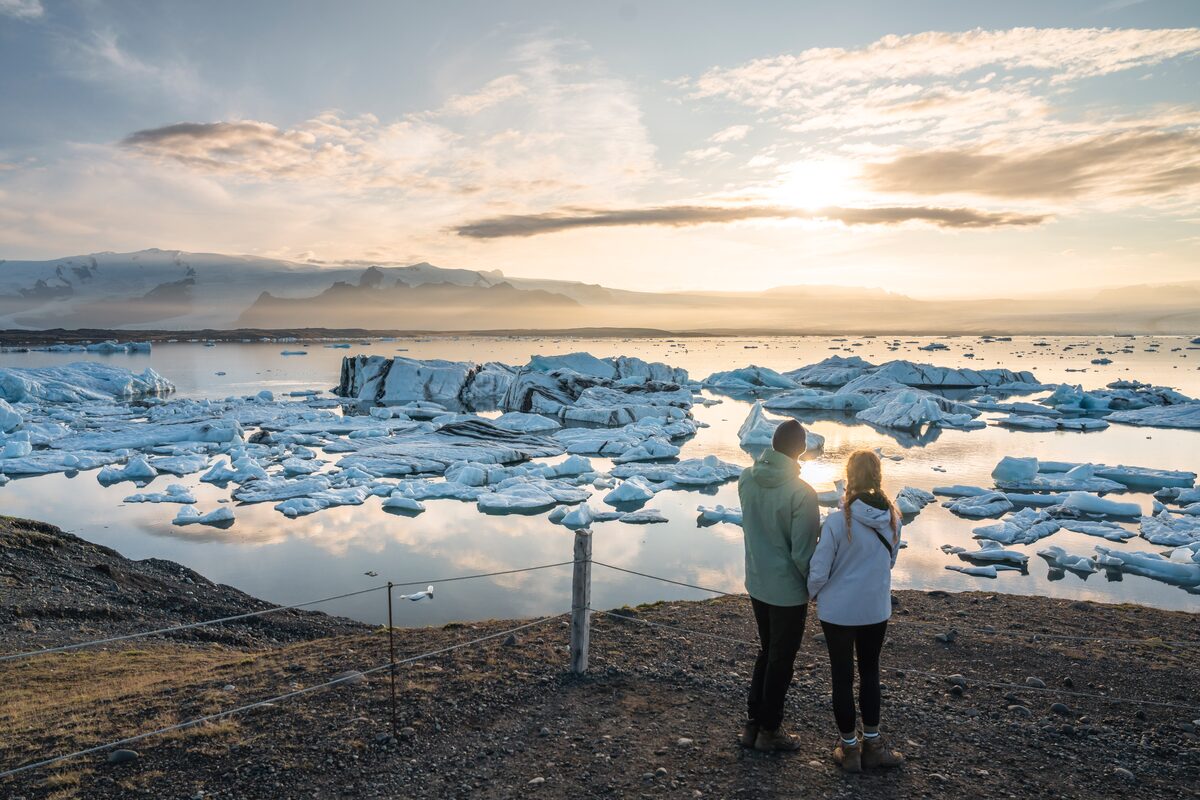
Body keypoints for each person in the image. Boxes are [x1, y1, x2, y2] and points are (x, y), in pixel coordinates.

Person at [807, 449, 906, 773]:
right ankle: (873, 745)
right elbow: (889, 561)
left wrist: (811, 594)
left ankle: (849, 750)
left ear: (850, 477)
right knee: (870, 673)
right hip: (875, 609)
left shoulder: (836, 522)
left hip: (837, 612)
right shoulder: (893, 518)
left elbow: (820, 570)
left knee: (842, 677)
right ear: (878, 477)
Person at [737, 418, 820, 752]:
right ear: (800, 450)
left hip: (757, 582)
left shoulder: (746, 479)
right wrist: (813, 587)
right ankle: (769, 731)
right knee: (781, 660)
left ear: (773, 444)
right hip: (787, 591)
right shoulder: (802, 494)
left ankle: (753, 725)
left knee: (766, 651)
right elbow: (803, 554)